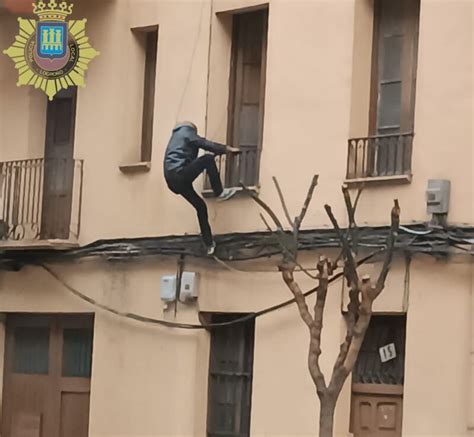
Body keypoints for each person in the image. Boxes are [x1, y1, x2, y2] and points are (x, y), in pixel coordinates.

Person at [164, 121, 240, 255]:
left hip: (174, 181)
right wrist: (226, 149)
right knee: (207, 159)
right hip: (179, 174)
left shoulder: (175, 137)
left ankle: (209, 244)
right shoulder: (186, 133)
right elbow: (204, 144)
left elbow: (190, 156)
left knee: (200, 206)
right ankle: (219, 192)